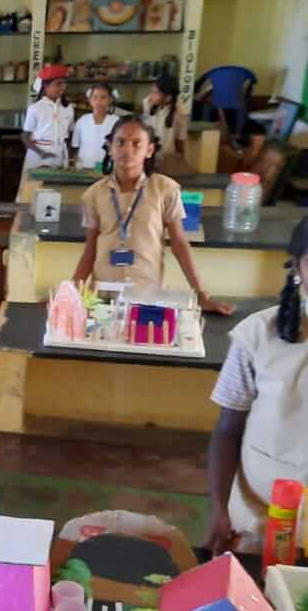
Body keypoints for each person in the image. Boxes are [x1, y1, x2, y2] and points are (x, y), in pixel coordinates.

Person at [206, 217, 308, 553]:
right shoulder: (257, 334)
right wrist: (219, 509)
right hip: (258, 520)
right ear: (297, 267)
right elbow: (227, 430)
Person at [71, 116, 232, 313]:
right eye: (120, 142)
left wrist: (201, 295)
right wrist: (71, 291)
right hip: (102, 295)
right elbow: (90, 248)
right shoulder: (94, 194)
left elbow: (179, 243)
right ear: (109, 147)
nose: (127, 150)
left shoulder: (166, 189)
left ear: (149, 150)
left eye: (136, 144)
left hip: (146, 293)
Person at [22, 66, 74, 171]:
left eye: (64, 84)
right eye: (58, 84)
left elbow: (69, 134)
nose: (63, 87)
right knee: (36, 181)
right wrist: (41, 153)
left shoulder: (68, 108)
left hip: (59, 156)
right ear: (46, 86)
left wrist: (70, 156)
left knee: (58, 181)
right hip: (38, 158)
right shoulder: (35, 108)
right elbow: (25, 136)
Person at [142, 73, 187, 167]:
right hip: (148, 156)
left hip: (168, 158)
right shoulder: (148, 104)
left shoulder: (179, 113)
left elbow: (180, 140)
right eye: (151, 92)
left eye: (156, 93)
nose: (151, 96)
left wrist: (181, 159)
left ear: (168, 97)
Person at [71, 85, 119, 171]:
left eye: (103, 97)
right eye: (95, 97)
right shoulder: (82, 121)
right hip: (84, 168)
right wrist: (76, 163)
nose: (99, 101)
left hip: (108, 169)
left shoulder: (116, 122)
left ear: (110, 99)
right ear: (90, 99)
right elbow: (75, 146)